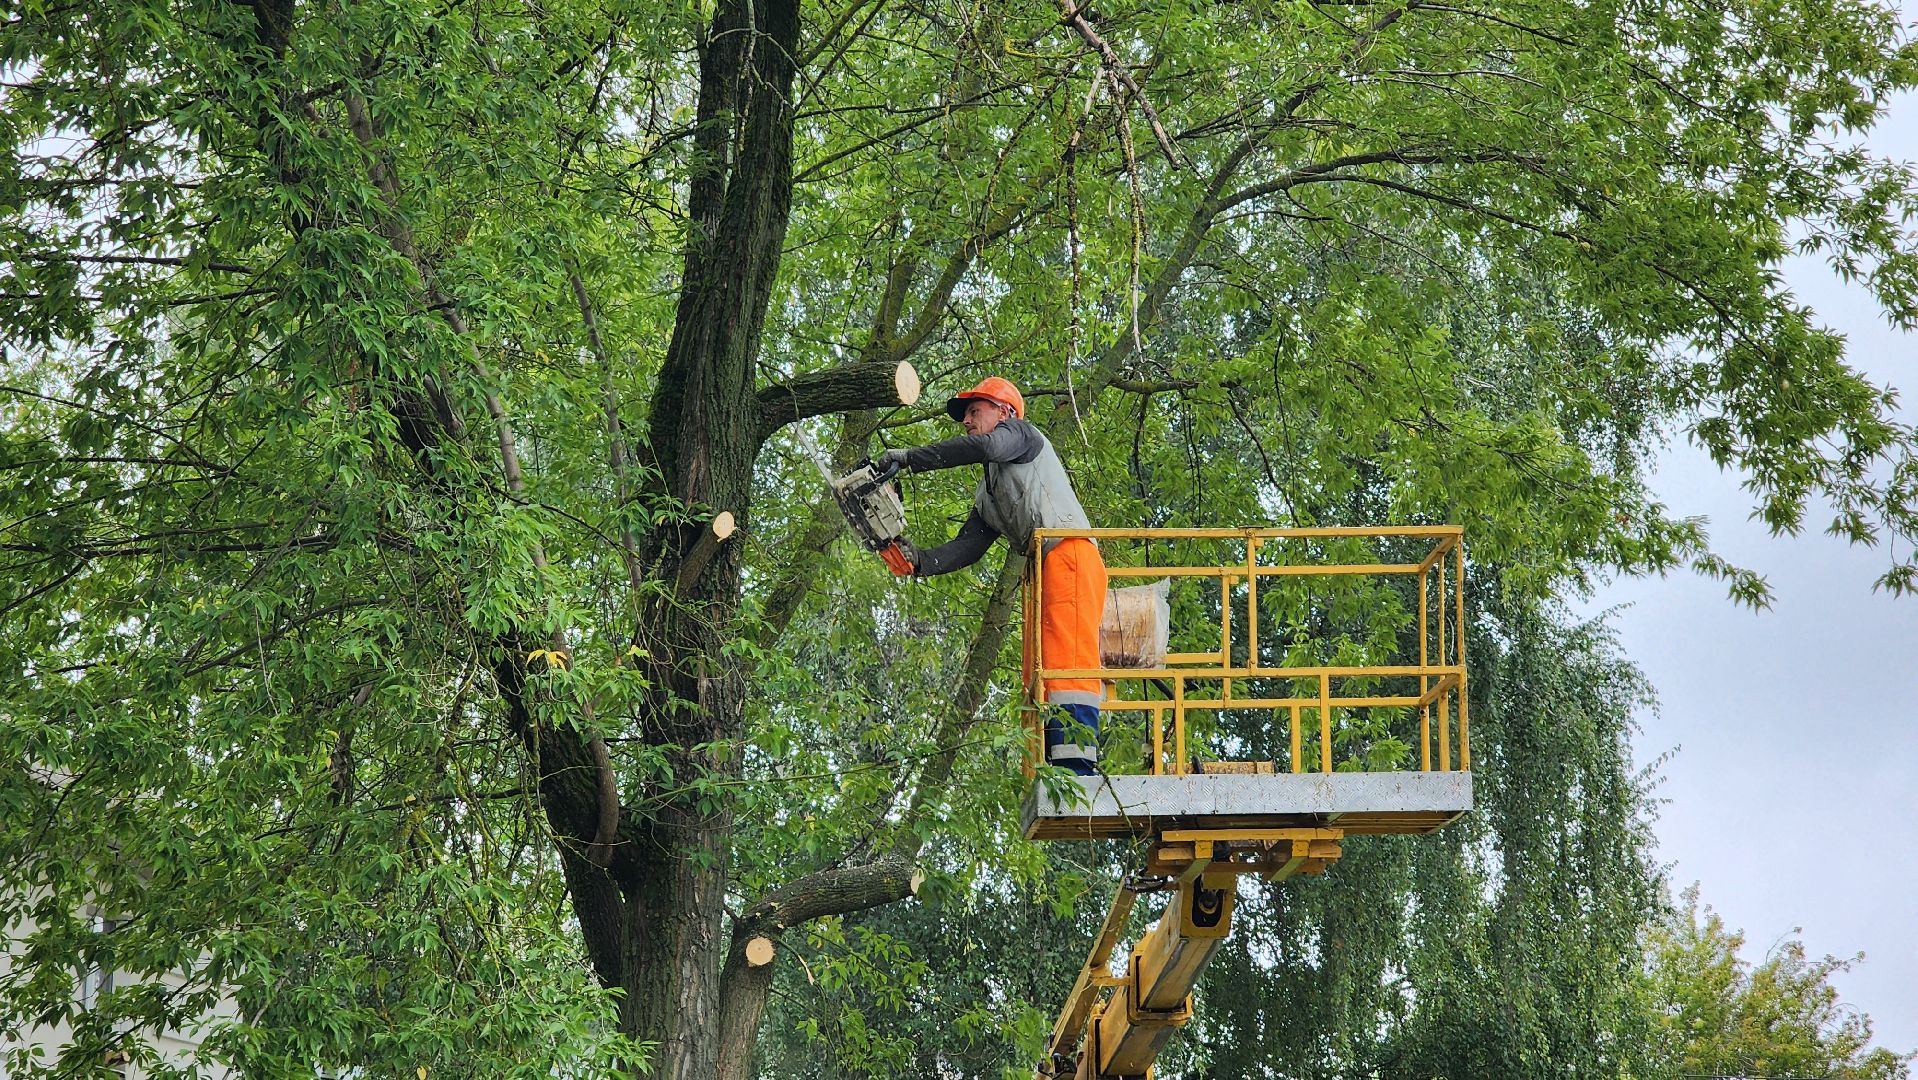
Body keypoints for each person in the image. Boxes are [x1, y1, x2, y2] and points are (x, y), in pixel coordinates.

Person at [874, 377, 1108, 776]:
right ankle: (1051, 765)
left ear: (1005, 412)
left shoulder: (1020, 436)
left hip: (1069, 553)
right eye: (965, 415)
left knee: (1067, 658)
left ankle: (1078, 765)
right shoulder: (990, 491)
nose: (966, 420)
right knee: (1041, 666)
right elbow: (968, 546)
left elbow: (985, 446)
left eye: (974, 410)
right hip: (1045, 567)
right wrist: (917, 560)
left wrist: (910, 457)